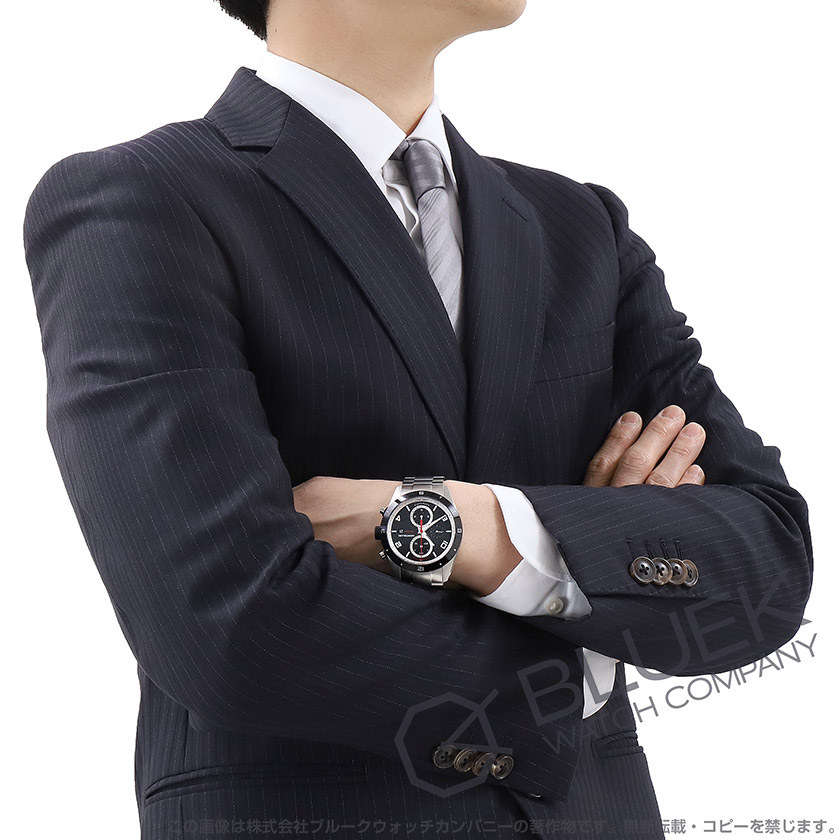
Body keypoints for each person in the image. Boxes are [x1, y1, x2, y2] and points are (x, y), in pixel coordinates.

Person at [22, 1, 813, 838]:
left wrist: (448, 523)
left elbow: (767, 564)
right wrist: (586, 636)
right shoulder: (141, 199)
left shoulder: (579, 227)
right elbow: (226, 625)